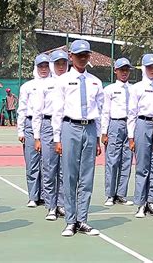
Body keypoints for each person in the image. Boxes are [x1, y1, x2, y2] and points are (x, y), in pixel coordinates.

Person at [52, 40, 103, 236]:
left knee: (87, 177)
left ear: (89, 57)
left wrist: (98, 137)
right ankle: (70, 220)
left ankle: (83, 219)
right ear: (71, 57)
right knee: (70, 175)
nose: (82, 58)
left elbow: (99, 111)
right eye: (78, 55)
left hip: (89, 128)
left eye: (85, 55)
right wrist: (57, 138)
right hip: (69, 127)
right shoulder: (62, 81)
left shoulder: (95, 82)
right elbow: (57, 110)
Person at [32, 50, 68, 221]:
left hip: (66, 126)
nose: (61, 67)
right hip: (47, 125)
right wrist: (37, 137)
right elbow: (37, 112)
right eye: (58, 64)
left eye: (64, 63)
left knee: (64, 169)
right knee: (49, 167)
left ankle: (61, 204)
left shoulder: (71, 82)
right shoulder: (44, 85)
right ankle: (51, 206)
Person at [128, 54, 153, 218]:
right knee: (142, 166)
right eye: (149, 67)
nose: (152, 70)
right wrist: (131, 136)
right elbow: (132, 113)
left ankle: (151, 201)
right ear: (143, 68)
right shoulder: (137, 88)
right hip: (143, 123)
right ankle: (141, 203)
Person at [17, 53, 51, 208]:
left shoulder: (55, 84)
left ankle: (45, 195)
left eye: (45, 66)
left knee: (47, 162)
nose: (43, 69)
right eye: (40, 66)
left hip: (48, 123)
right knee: (32, 162)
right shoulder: (27, 86)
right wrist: (20, 130)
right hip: (30, 125)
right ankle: (33, 195)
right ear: (36, 68)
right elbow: (22, 109)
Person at [101, 58, 134, 207]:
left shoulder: (134, 89)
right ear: (115, 71)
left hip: (130, 124)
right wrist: (104, 131)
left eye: (126, 70)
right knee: (112, 160)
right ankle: (110, 194)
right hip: (115, 124)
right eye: (121, 70)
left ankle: (121, 194)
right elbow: (105, 111)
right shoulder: (109, 89)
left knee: (127, 160)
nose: (124, 73)